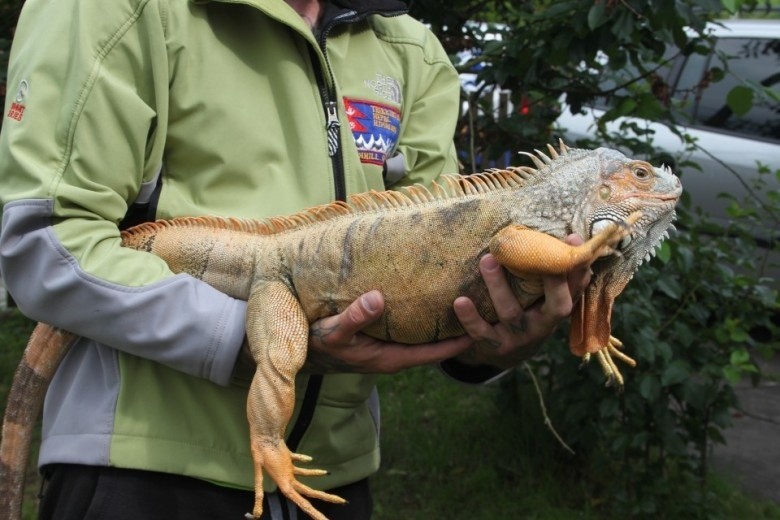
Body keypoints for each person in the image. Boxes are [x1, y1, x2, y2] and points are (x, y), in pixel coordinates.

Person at [0, 0, 590, 518]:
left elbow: (451, 258)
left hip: (332, 478)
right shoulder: (114, 8)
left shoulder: (408, 46)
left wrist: (491, 339)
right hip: (141, 469)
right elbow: (49, 245)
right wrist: (252, 339)